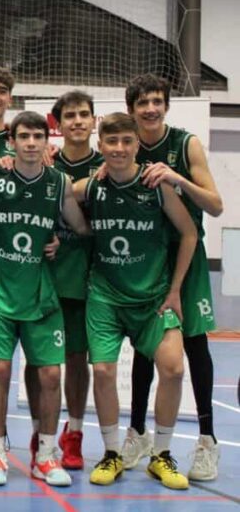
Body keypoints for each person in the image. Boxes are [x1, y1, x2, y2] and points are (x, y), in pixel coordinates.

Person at [77, 112, 197, 490]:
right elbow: (56, 189)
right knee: (103, 372)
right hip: (106, 298)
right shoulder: (91, 187)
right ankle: (112, 453)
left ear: (136, 145)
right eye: (111, 142)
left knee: (174, 369)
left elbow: (190, 233)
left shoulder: (156, 185)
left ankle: (160, 455)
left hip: (153, 299)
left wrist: (176, 289)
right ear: (101, 146)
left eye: (126, 142)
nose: (119, 149)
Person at [0, 111, 90, 487]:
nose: (30, 143)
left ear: (47, 142)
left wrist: (61, 238)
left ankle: (45, 454)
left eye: (37, 137)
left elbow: (81, 227)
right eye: (23, 136)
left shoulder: (59, 183)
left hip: (42, 293)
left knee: (50, 373)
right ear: (10, 141)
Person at [121, 75, 223, 481]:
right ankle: (139, 433)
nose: (150, 108)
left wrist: (178, 179)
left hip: (186, 256)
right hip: (144, 258)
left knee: (196, 347)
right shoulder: (123, 143)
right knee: (147, 350)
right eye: (143, 102)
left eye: (157, 101)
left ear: (166, 105)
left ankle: (206, 441)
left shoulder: (185, 144)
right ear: (131, 108)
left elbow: (215, 205)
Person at [22, 90, 102, 470]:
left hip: (84, 276)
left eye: (84, 114)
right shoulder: (41, 162)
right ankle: (41, 433)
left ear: (93, 120)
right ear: (57, 123)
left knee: (76, 359)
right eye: (69, 115)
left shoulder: (108, 163)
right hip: (43, 273)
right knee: (38, 362)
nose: (77, 121)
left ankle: (74, 434)